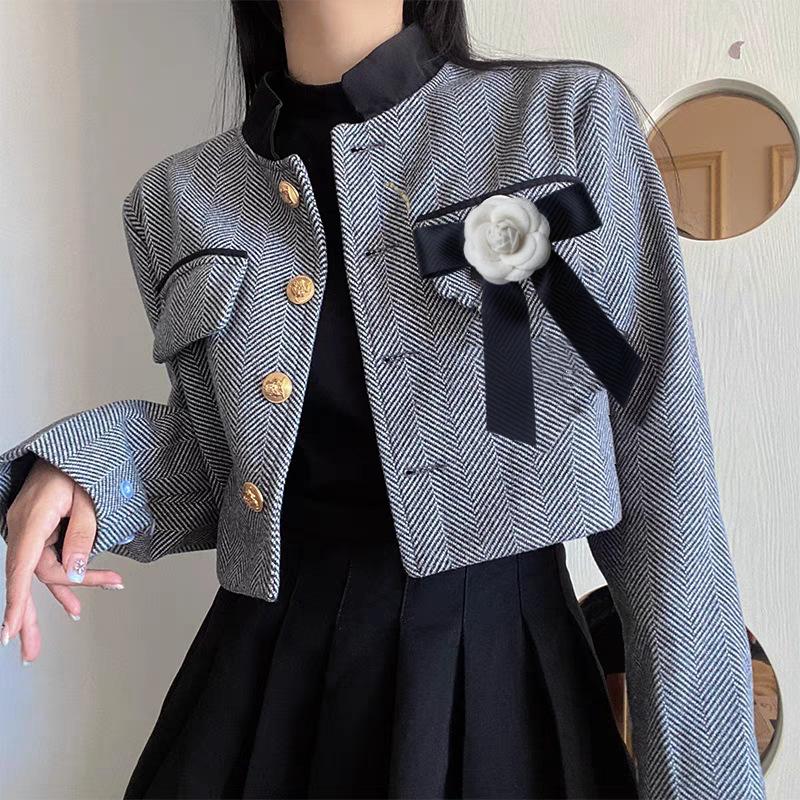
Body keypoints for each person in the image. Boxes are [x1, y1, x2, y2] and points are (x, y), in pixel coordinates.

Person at [0, 1, 766, 798]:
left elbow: (666, 487)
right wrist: (82, 470)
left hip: (500, 689)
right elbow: (219, 459)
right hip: (265, 692)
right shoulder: (176, 199)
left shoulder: (561, 121)